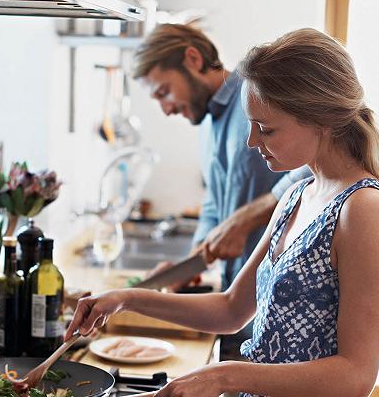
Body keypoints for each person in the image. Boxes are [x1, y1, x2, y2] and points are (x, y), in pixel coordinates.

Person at [66, 28, 379, 397]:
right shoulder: (296, 195)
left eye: (266, 129)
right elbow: (230, 309)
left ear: (320, 119)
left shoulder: (365, 208)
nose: (252, 141)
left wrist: (226, 376)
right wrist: (125, 299)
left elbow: (355, 377)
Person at [132, 24, 310, 359]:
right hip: (235, 309)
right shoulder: (206, 125)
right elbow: (215, 202)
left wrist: (248, 217)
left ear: (193, 59)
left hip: (278, 306)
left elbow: (312, 167)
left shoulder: (257, 96)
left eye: (163, 92)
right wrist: (194, 259)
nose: (166, 109)